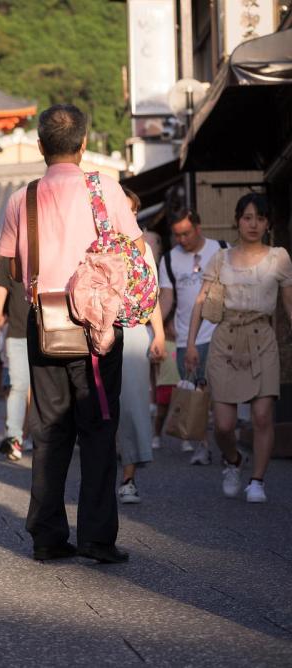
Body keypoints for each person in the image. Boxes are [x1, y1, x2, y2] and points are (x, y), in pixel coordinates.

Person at [0, 105, 144, 564]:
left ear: (40, 146)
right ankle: (97, 538)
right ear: (83, 144)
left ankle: (46, 535)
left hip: (45, 322)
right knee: (99, 428)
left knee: (49, 429)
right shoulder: (107, 189)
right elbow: (134, 250)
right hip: (97, 325)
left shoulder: (22, 198)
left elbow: (14, 269)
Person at [186, 193, 292, 503]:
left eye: (260, 218)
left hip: (262, 338)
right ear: (237, 220)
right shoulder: (220, 258)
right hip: (225, 341)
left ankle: (257, 480)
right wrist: (191, 344)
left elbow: (288, 303)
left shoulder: (280, 257)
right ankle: (233, 460)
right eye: (247, 217)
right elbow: (201, 300)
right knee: (223, 424)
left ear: (268, 222)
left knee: (262, 416)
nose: (253, 224)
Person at [159, 209, 226, 465]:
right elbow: (167, 297)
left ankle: (225, 442)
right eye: (177, 235)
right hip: (186, 336)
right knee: (194, 393)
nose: (182, 240)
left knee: (217, 393)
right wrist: (157, 325)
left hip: (218, 333)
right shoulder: (169, 259)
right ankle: (202, 445)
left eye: (186, 233)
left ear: (198, 228)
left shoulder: (221, 249)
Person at [115, 189, 166, 505]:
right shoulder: (93, 245)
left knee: (133, 404)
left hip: (134, 331)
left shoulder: (143, 249)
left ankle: (128, 478)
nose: (129, 218)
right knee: (105, 407)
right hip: (98, 331)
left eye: (134, 212)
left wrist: (158, 334)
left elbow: (153, 295)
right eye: (125, 211)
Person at [0, 260, 32, 461]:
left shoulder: (52, 241)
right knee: (19, 386)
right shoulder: (9, 258)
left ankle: (32, 436)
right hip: (18, 334)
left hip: (52, 332)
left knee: (40, 393)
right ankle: (14, 437)